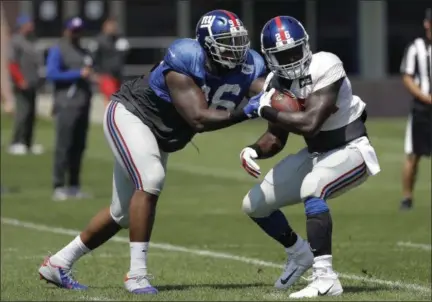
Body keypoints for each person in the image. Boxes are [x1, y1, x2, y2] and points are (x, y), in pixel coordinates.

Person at [38, 10, 266, 294]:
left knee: (122, 214)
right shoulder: (185, 57)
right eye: (226, 41)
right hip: (131, 115)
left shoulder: (248, 63)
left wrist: (278, 95)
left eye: (238, 40)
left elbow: (263, 90)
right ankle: (137, 275)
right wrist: (250, 110)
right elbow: (198, 118)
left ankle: (58, 263)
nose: (236, 48)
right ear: (207, 43)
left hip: (160, 135)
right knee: (151, 179)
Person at [239, 16, 381, 298]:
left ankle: (326, 277)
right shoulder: (275, 81)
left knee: (312, 187)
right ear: (271, 58)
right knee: (253, 205)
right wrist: (253, 149)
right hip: (316, 154)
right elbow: (276, 138)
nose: (291, 60)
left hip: (351, 150)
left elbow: (309, 124)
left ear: (306, 45)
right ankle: (298, 252)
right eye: (283, 55)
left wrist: (264, 108)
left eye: (295, 50)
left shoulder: (326, 64)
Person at [45, 17, 95, 201]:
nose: (76, 34)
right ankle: (58, 185)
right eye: (73, 30)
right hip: (66, 104)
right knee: (63, 145)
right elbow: (52, 73)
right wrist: (77, 74)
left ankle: (74, 185)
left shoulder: (84, 51)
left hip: (83, 103)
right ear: (66, 30)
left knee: (78, 146)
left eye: (79, 30)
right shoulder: (58, 49)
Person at [399, 8, 431, 210]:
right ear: (427, 24)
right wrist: (425, 97)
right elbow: (407, 77)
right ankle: (407, 198)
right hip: (422, 109)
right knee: (413, 154)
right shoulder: (416, 48)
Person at [7, 15, 44, 155]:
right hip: (21, 83)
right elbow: (12, 63)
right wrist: (19, 79)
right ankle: (17, 142)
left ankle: (28, 142)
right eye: (28, 24)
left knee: (31, 114)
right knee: (22, 113)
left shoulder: (33, 40)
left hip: (33, 81)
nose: (31, 26)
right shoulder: (16, 41)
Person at [89, 17, 129, 107]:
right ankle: (109, 119)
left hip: (117, 75)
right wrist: (95, 73)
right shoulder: (98, 41)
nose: (113, 28)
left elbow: (124, 56)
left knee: (119, 100)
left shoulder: (120, 40)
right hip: (105, 75)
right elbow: (92, 58)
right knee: (111, 101)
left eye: (114, 26)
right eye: (110, 26)